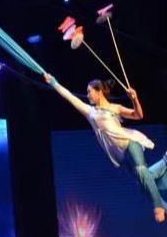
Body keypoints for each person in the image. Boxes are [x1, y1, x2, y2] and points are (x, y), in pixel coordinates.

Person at [44, 74, 167, 222]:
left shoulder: (115, 108)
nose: (87, 95)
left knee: (141, 169)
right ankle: (165, 162)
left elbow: (138, 115)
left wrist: (134, 99)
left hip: (130, 142)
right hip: (121, 154)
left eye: (89, 91)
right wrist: (54, 82)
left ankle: (158, 207)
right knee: (144, 183)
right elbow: (70, 97)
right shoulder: (90, 112)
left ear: (99, 92)